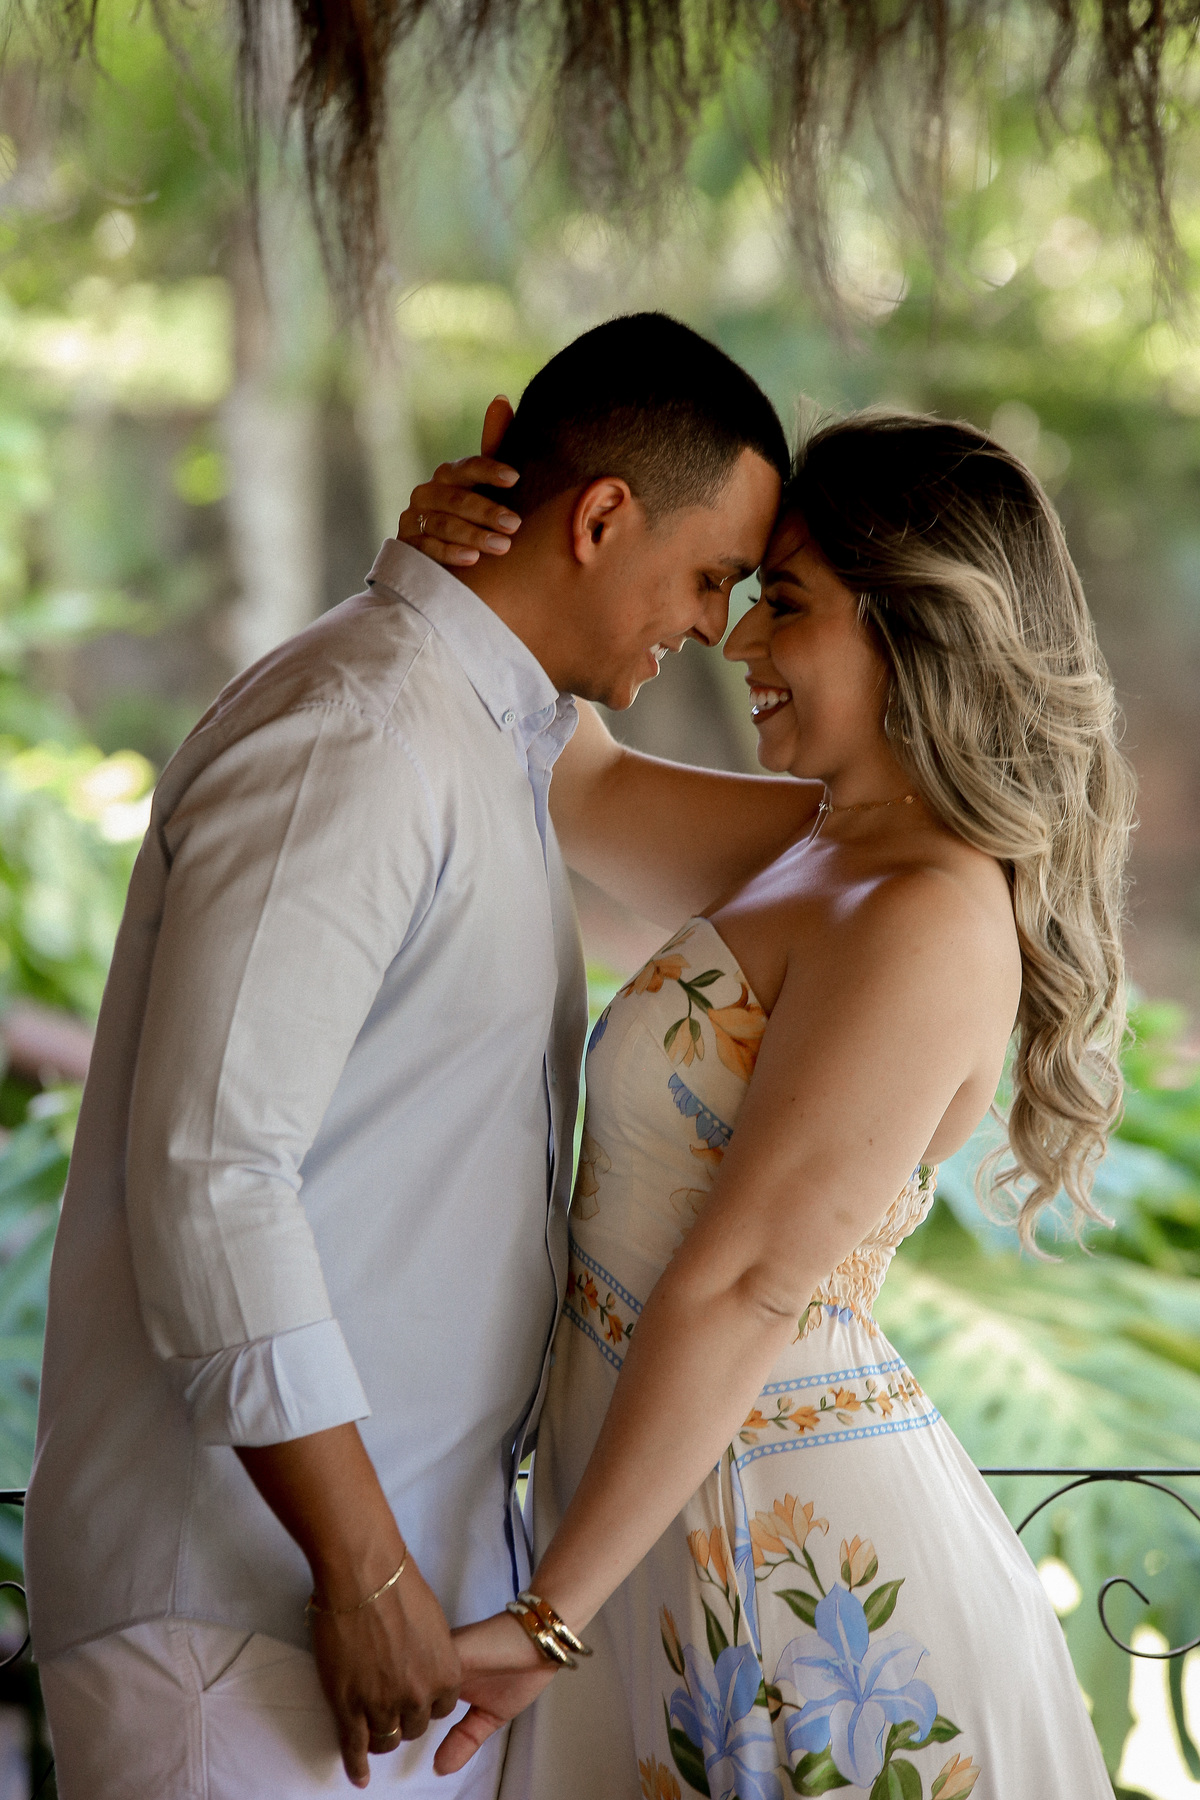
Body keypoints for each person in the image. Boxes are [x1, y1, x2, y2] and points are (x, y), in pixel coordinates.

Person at [23, 312, 801, 1799]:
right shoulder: (358, 729)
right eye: (712, 575)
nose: (717, 624)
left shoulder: (492, 735)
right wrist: (364, 1570)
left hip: (383, 1613)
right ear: (601, 518)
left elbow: (846, 851)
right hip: (250, 1615)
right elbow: (214, 1173)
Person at [405, 409, 1133, 1797]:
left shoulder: (925, 912)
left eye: (784, 603)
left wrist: (549, 1617)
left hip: (792, 1577)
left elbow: (748, 1283)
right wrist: (484, 543)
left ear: (917, 626)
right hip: (646, 1535)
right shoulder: (820, 846)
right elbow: (577, 780)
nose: (736, 640)